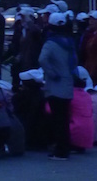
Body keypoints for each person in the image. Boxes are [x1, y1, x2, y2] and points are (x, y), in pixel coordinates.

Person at [38, 12, 76, 160]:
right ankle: (65, 147)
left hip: (55, 84)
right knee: (64, 118)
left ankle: (60, 150)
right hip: (68, 83)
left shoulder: (51, 43)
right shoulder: (70, 42)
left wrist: (51, 72)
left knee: (57, 119)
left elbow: (42, 59)